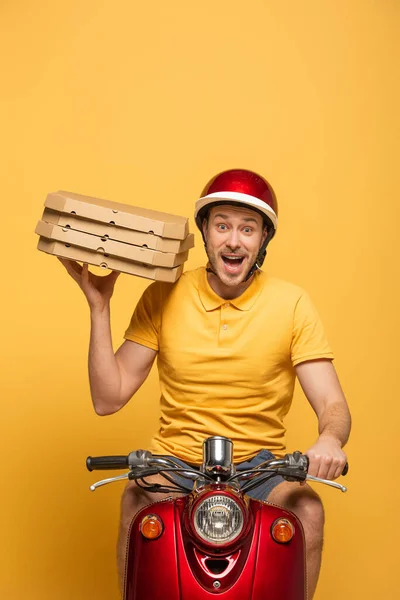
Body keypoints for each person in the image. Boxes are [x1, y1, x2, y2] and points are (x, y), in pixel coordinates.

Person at [59, 168, 351, 599]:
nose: (234, 240)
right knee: (135, 503)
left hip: (261, 468)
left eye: (247, 228)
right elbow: (108, 397)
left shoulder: (292, 304)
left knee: (306, 508)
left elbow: (332, 403)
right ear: (205, 233)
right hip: (176, 465)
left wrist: (329, 439)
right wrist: (99, 306)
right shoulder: (165, 292)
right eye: (223, 225)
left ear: (263, 240)